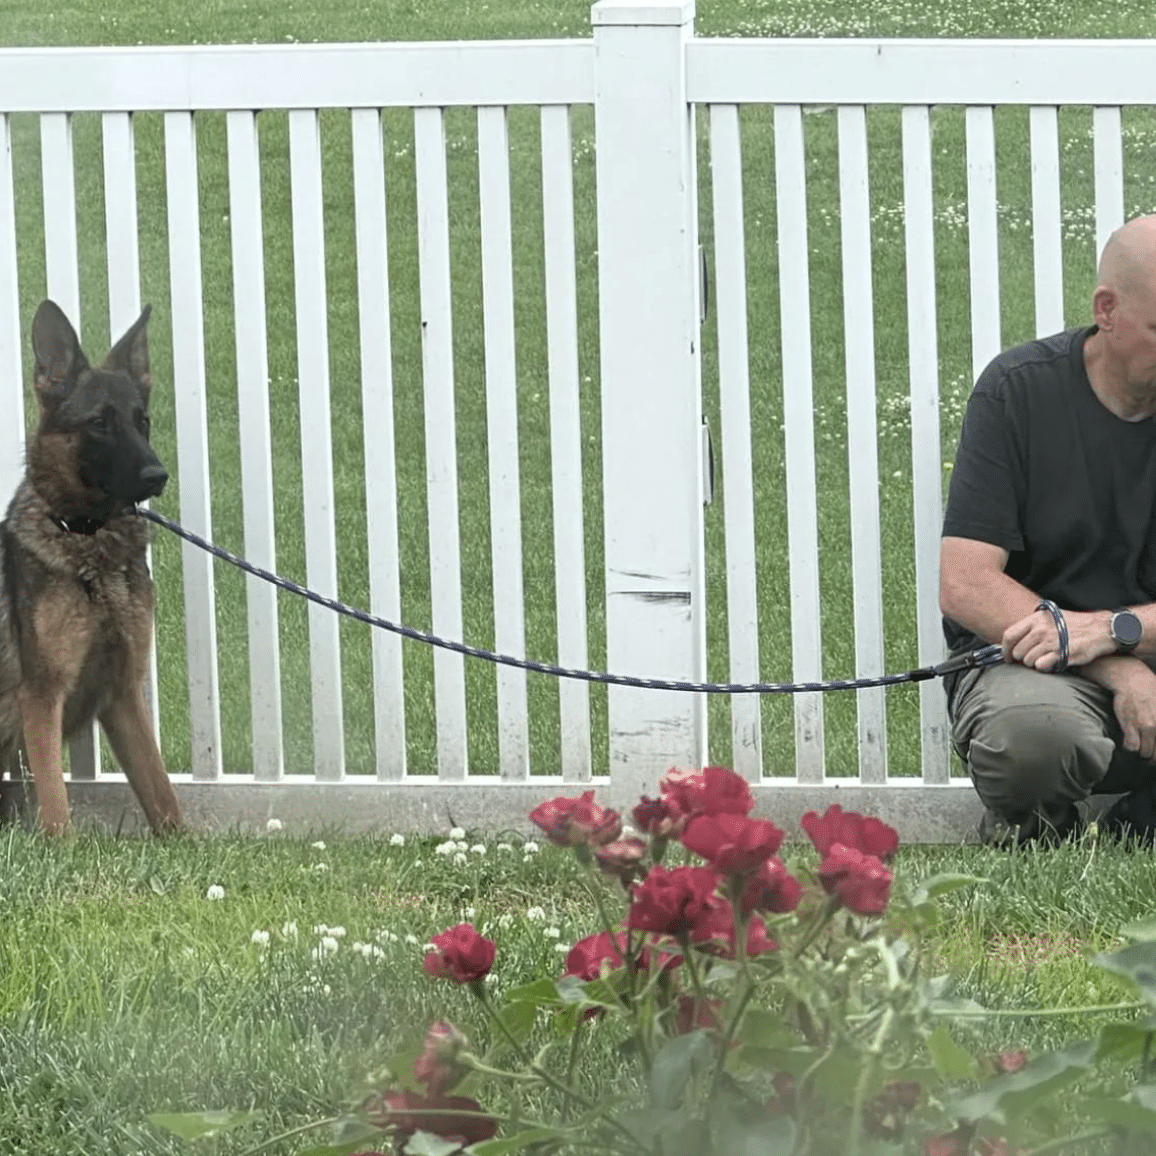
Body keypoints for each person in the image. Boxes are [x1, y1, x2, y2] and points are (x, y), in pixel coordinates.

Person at [941, 213, 1156, 845]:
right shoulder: (1017, 391)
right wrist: (1118, 667)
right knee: (1028, 736)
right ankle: (1042, 826)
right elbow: (967, 584)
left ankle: (1137, 824)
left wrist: (1116, 632)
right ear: (1107, 310)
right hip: (1036, 670)